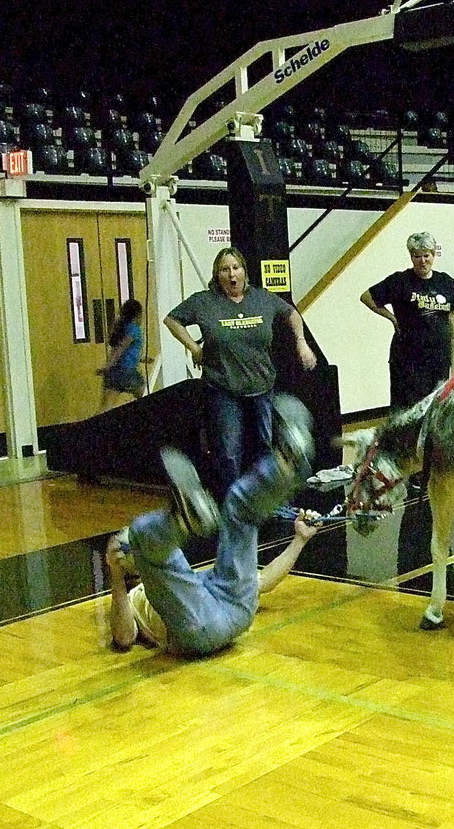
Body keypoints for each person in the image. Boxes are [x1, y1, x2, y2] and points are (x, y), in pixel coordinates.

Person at [105, 394, 315, 656]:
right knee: (148, 537)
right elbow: (124, 637)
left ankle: (284, 465)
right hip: (205, 624)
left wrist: (299, 540)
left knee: (239, 506)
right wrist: (116, 578)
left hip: (229, 606)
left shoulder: (180, 578)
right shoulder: (137, 596)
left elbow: (263, 581)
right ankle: (182, 521)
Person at [165, 247, 317, 494]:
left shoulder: (262, 298)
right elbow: (172, 320)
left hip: (261, 386)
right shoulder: (204, 302)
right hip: (224, 388)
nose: (231, 274)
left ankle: (265, 498)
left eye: (236, 268)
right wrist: (193, 347)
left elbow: (291, 313)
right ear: (218, 275)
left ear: (244, 272)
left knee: (264, 448)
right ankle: (234, 500)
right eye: (225, 269)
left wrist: (301, 342)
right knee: (228, 453)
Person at [361, 232, 454, 408]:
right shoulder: (400, 281)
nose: (422, 260)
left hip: (439, 356)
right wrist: (392, 319)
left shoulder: (444, 281)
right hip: (408, 359)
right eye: (417, 256)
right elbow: (367, 297)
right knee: (409, 408)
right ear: (411, 257)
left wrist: (452, 325)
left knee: (436, 404)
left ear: (433, 255)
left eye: (426, 255)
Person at [96, 298, 145, 414]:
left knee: (105, 407)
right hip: (126, 371)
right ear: (137, 314)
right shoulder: (134, 329)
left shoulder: (122, 327)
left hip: (114, 371)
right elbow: (121, 348)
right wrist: (108, 365)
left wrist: (108, 366)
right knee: (146, 395)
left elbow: (118, 350)